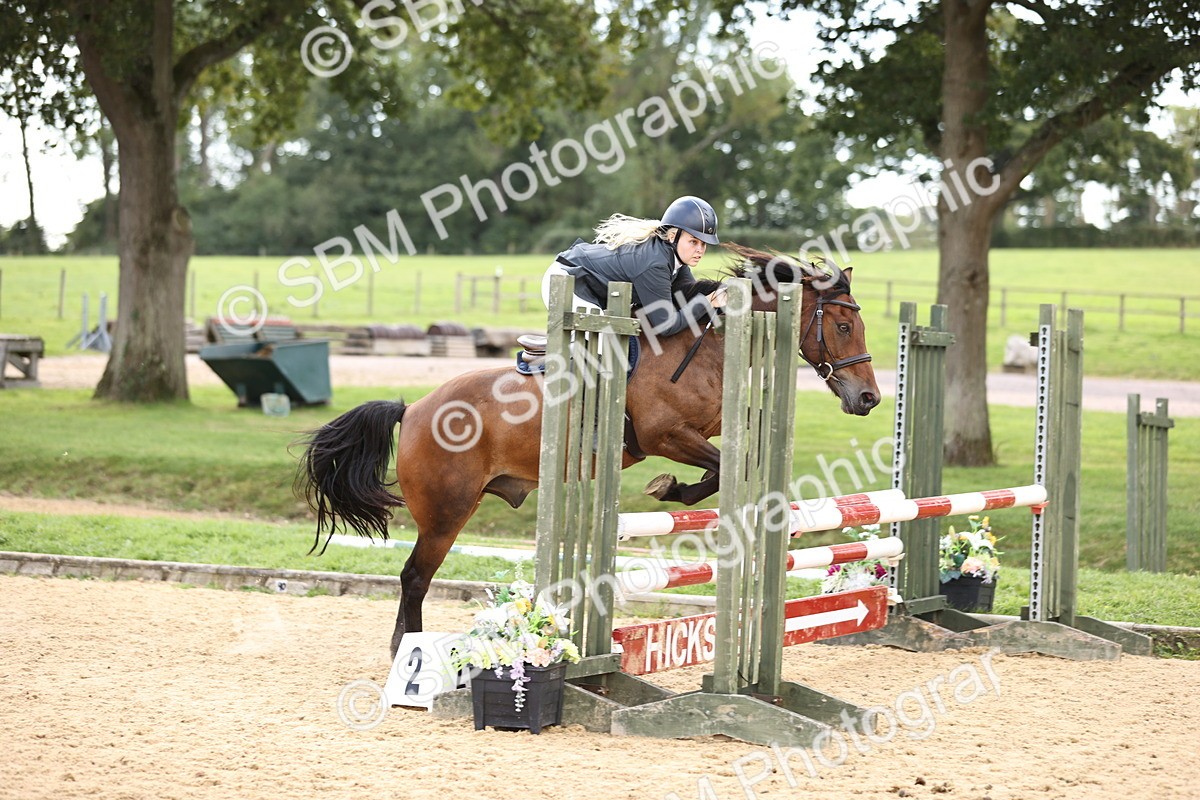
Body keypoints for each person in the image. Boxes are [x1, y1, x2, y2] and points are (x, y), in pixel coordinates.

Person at [541, 196, 725, 337]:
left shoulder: (675, 259)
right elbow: (666, 326)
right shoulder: (655, 264)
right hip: (567, 280)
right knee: (602, 341)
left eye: (703, 244)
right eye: (693, 242)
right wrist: (707, 301)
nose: (700, 250)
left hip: (584, 282)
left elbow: (685, 298)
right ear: (672, 236)